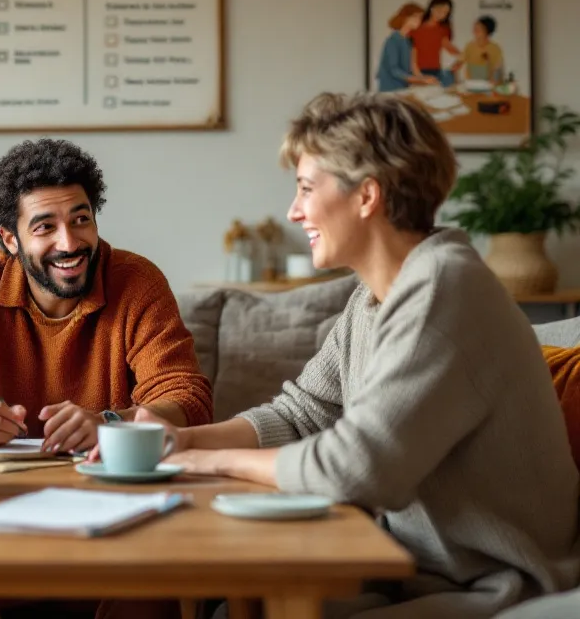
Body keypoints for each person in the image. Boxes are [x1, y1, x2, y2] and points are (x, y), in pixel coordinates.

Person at [141, 92, 580, 618]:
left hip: (498, 585)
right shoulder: (372, 298)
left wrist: (205, 461)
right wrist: (180, 439)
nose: (293, 210)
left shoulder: (444, 293)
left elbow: (355, 469)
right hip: (405, 571)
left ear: (367, 195)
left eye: (306, 188)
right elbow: (301, 412)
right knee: (237, 609)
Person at [0, 138, 213, 454]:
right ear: (11, 239)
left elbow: (188, 399)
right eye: (45, 227)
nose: (70, 243)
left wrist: (111, 423)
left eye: (80, 220)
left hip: (104, 475)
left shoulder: (137, 281)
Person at [375, 2, 438, 92]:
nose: (418, 20)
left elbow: (413, 67)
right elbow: (394, 70)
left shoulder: (408, 41)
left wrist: (425, 78)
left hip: (403, 88)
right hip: (390, 88)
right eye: (415, 16)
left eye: (420, 17)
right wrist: (420, 80)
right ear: (404, 17)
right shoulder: (393, 40)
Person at [410, 0, 461, 87]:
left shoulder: (443, 30)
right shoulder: (416, 25)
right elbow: (409, 51)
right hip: (416, 71)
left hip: (436, 71)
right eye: (440, 10)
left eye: (446, 12)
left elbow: (449, 47)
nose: (442, 14)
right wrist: (417, 74)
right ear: (432, 7)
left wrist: (462, 58)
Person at [457, 15, 505, 85]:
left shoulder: (495, 48)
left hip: (488, 85)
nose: (474, 32)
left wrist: (494, 82)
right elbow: (459, 62)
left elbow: (498, 70)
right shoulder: (470, 46)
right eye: (474, 29)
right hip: (471, 84)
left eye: (478, 30)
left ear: (487, 32)